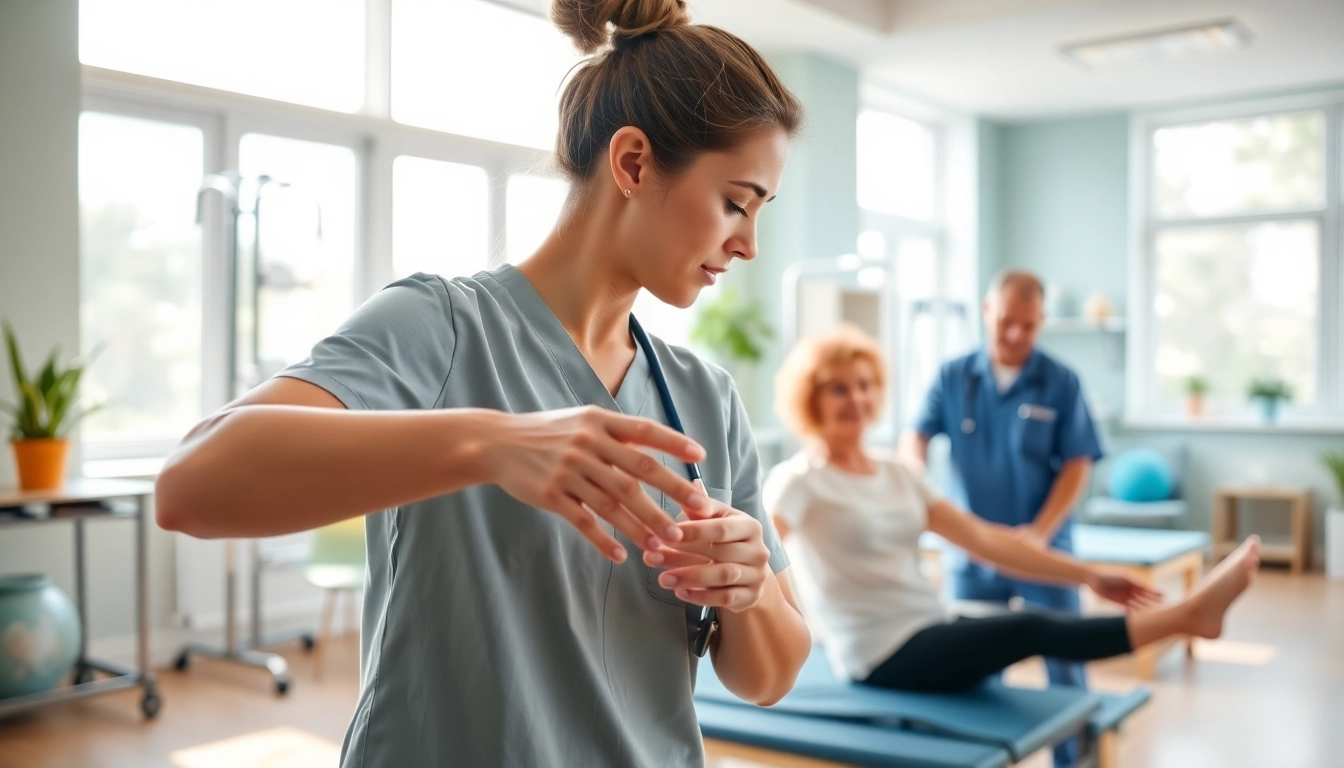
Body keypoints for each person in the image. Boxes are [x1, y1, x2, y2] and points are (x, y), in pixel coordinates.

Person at [154, 2, 812, 766]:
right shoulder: (441, 326)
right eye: (735, 203)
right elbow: (189, 487)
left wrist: (750, 587)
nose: (748, 243)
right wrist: (492, 443)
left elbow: (769, 678)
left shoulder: (704, 398)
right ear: (633, 163)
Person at [765, 326, 1260, 697]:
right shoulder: (798, 482)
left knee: (1026, 621)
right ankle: (1188, 616)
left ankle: (1188, 617)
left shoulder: (899, 474)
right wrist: (786, 633)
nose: (856, 399)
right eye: (839, 388)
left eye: (864, 385)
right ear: (811, 398)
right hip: (875, 654)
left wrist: (1088, 575)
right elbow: (761, 563)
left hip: (928, 623)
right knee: (1029, 629)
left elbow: (987, 541)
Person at [898, 269, 1100, 766]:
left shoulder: (1061, 380)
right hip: (971, 553)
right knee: (974, 666)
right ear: (987, 312)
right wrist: (913, 476)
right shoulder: (953, 376)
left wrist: (1040, 533)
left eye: (1027, 325)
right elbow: (915, 437)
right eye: (1006, 321)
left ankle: (1074, 761)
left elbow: (1078, 464)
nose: (1014, 334)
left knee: (1066, 664)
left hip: (1042, 549)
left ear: (1041, 321)